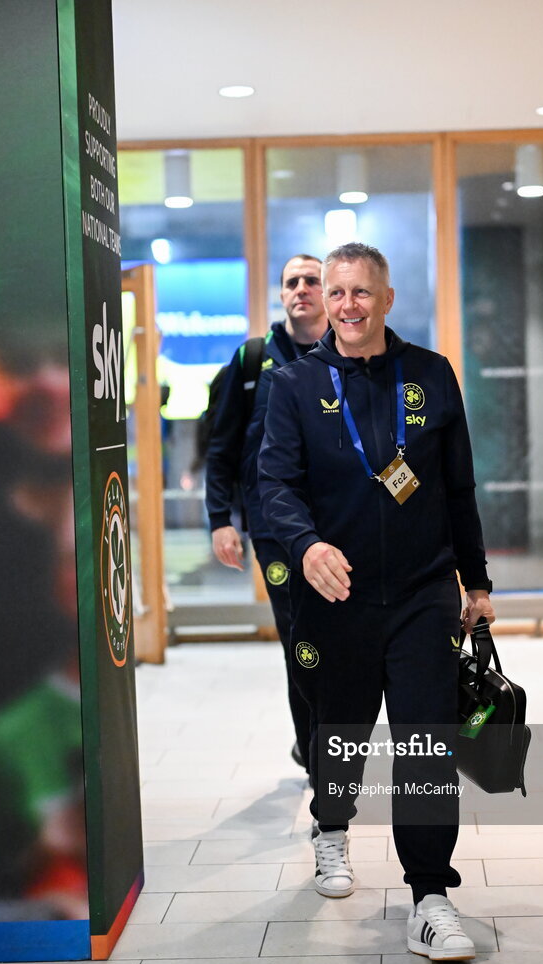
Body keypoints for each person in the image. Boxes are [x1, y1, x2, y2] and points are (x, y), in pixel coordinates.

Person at [259, 242, 495, 962]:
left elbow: (458, 488)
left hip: (424, 594)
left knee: (426, 738)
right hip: (339, 596)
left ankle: (430, 897)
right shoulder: (295, 386)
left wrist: (476, 584)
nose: (348, 306)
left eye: (362, 293)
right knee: (343, 733)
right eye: (337, 293)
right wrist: (306, 546)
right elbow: (276, 486)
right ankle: (331, 826)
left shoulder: (430, 374)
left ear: (387, 299)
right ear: (323, 300)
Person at [205, 254, 328, 773]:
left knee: (339, 643)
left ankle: (326, 742)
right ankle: (318, 756)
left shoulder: (345, 354)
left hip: (340, 528)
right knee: (299, 640)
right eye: (291, 282)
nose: (301, 289)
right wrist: (220, 519)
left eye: (312, 281)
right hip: (275, 531)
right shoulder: (253, 360)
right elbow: (222, 445)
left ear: (329, 291)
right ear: (281, 294)